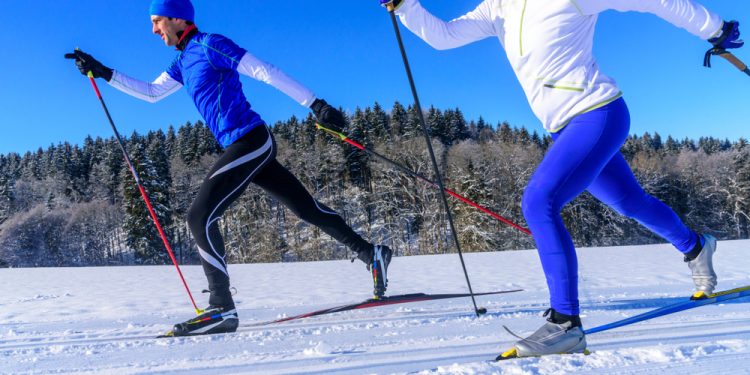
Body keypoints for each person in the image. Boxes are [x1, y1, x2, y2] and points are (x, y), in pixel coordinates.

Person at [378, 0, 742, 358]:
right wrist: (407, 6)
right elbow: (444, 36)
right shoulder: (497, 8)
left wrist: (715, 28)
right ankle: (695, 246)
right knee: (628, 201)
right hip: (565, 129)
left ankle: (565, 323)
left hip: (598, 114)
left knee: (539, 202)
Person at [66, 0, 393, 336]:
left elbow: (264, 70)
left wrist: (316, 104)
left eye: (157, 21)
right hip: (244, 146)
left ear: (178, 19)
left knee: (199, 216)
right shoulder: (183, 61)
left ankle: (221, 307)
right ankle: (372, 253)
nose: (153, 30)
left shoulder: (211, 44)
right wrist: (104, 72)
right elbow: (152, 93)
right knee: (305, 208)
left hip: (251, 140)